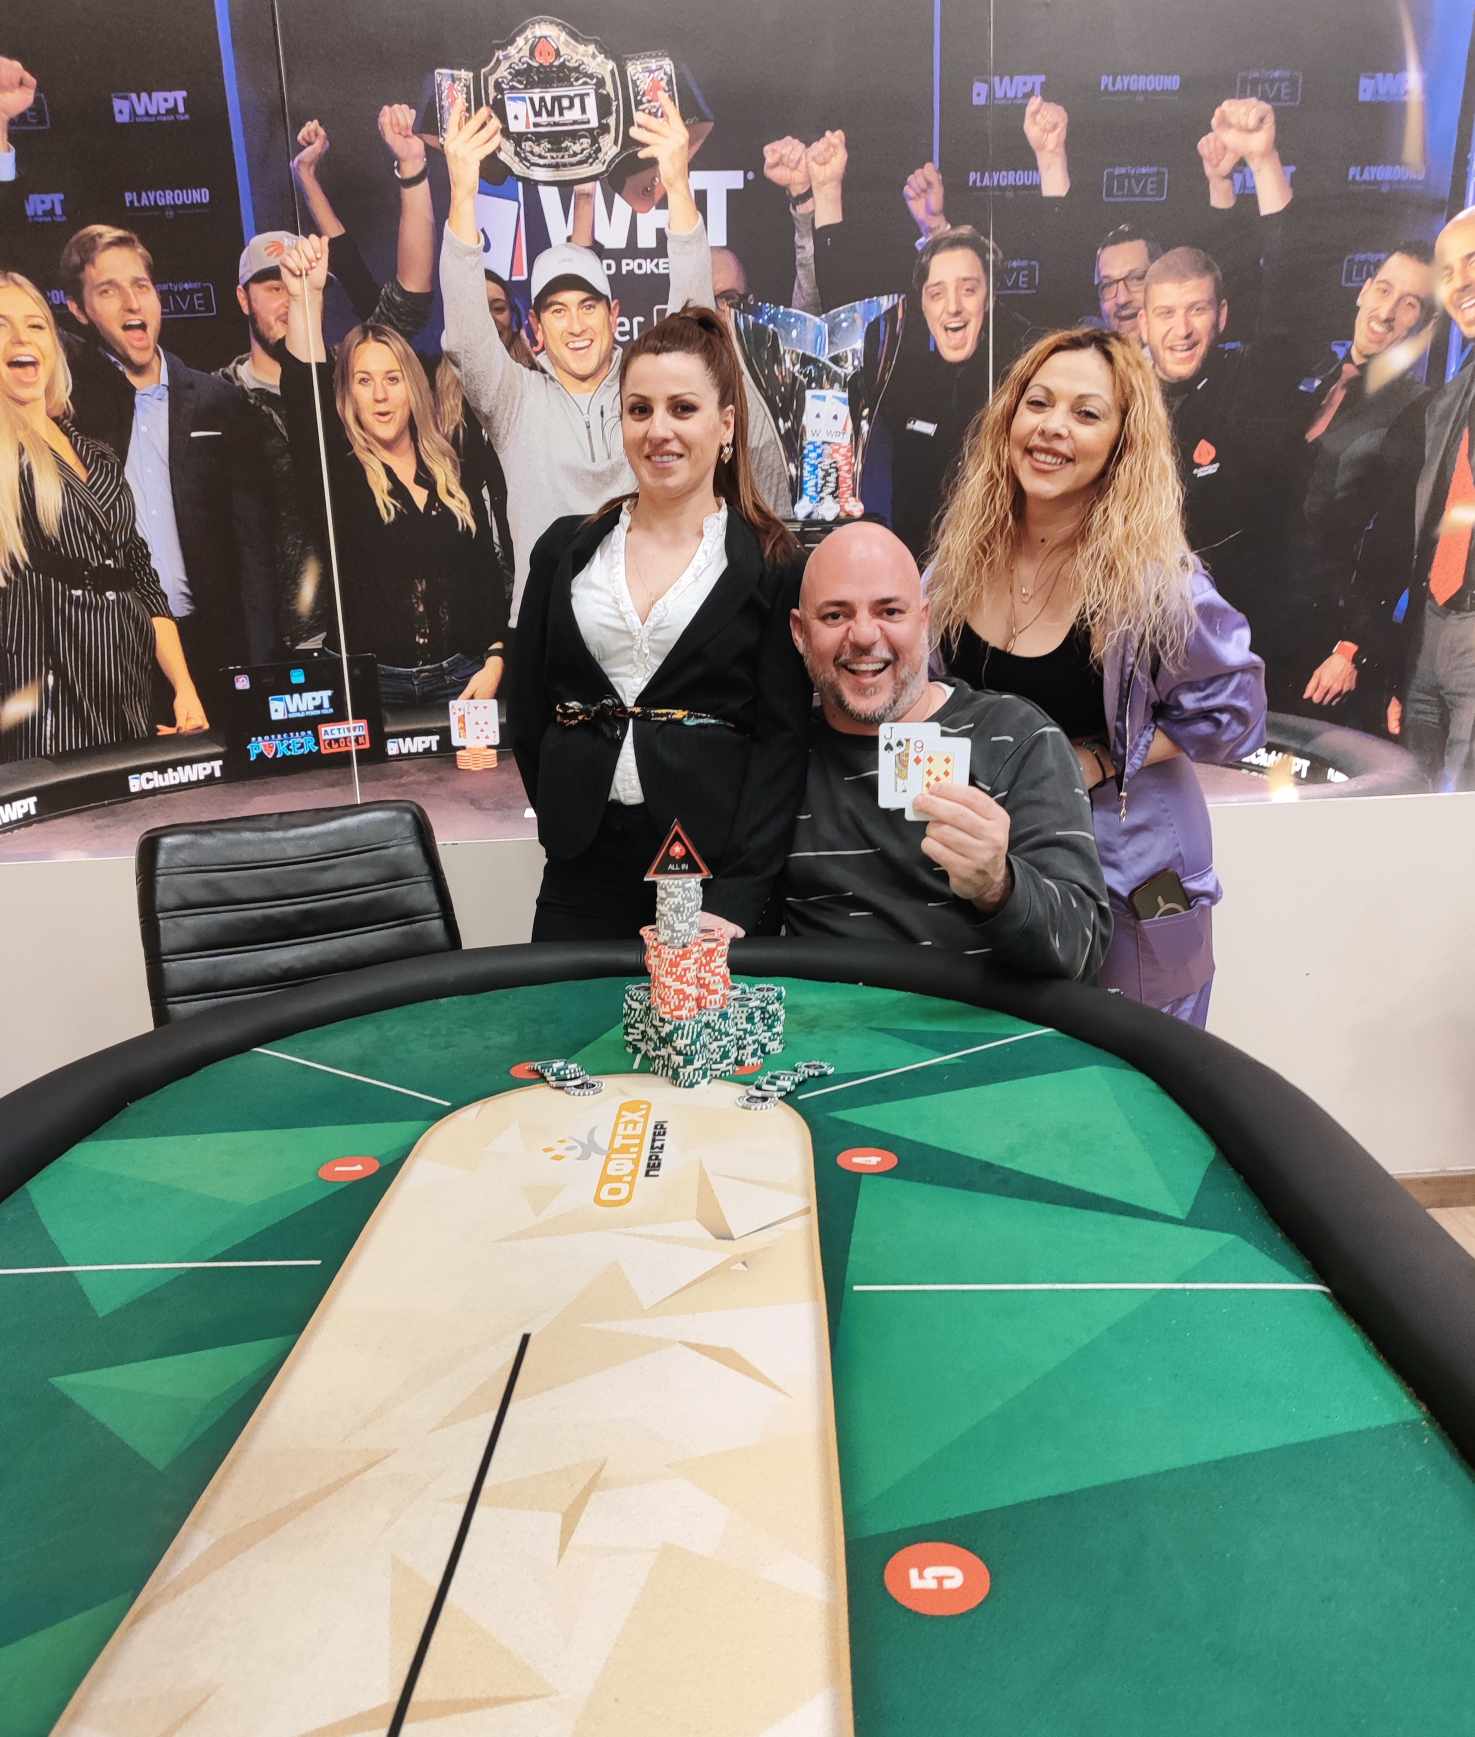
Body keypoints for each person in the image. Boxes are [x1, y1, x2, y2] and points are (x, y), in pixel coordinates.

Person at [928, 327, 1266, 1025]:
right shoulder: (957, 564)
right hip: (994, 887)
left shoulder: (1156, 585)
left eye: (1086, 413)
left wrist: (1100, 759)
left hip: (1128, 884)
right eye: (1038, 403)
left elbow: (1234, 715)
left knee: (1131, 1080)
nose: (1053, 427)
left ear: (1121, 442)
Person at [508, 305, 812, 942]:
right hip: (579, 872)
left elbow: (781, 743)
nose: (658, 430)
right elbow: (530, 711)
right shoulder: (564, 551)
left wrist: (739, 893)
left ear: (725, 424)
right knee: (566, 1013)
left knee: (699, 1017)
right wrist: (565, 811)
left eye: (683, 408)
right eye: (640, 409)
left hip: (712, 878)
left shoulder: (771, 563)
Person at [784, 522, 1111, 979]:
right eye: (835, 616)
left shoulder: (1019, 738)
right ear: (800, 632)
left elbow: (1082, 945)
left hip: (980, 1022)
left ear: (924, 619)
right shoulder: (780, 754)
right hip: (823, 1019)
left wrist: (998, 885)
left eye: (889, 611)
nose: (864, 635)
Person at [441, 96, 717, 622]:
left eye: (588, 306)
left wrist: (678, 186)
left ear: (613, 314)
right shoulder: (514, 400)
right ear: (535, 327)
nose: (575, 325)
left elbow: (696, 327)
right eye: (558, 310)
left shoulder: (646, 393)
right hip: (547, 630)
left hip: (642, 628)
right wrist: (462, 194)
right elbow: (467, 336)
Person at [277, 236, 507, 707]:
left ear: (412, 388)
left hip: (463, 677)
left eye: (392, 379)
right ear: (347, 395)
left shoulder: (450, 467)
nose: (380, 395)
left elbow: (484, 573)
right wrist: (306, 297)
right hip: (372, 685)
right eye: (364, 381)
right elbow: (303, 395)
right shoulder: (338, 472)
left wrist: (498, 655)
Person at [56, 224, 274, 704]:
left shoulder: (220, 401)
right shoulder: (71, 412)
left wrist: (261, 668)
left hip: (215, 645)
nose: (132, 303)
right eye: (108, 291)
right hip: (117, 652)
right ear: (78, 309)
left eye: (141, 285)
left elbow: (254, 551)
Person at [0, 271, 207, 762]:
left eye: (35, 325)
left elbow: (140, 575)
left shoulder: (97, 454)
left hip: (125, 676)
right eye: (1, 325)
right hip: (45, 692)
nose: (20, 338)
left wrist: (183, 687)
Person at [806, 132, 1022, 560]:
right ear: (922, 305)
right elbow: (847, 315)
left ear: (990, 298)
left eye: (969, 290)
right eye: (937, 294)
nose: (953, 307)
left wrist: (939, 229)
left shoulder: (1015, 374)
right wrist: (827, 192)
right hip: (918, 584)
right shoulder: (906, 382)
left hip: (1002, 579)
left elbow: (1058, 304)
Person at [1354, 206, 1475, 790]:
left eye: (1474, 262)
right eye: (1448, 272)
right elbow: (1425, 529)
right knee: (1416, 802)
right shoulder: (1449, 398)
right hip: (1428, 632)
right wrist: (1405, 656)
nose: (1462, 282)